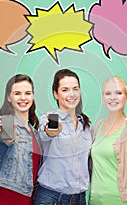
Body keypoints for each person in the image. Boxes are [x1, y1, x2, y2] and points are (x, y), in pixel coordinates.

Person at [33, 69, 93, 205]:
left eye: (75, 89)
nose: (71, 94)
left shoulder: (86, 126)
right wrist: (51, 131)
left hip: (79, 198)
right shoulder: (48, 119)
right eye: (65, 90)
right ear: (56, 93)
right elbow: (44, 133)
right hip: (51, 198)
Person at [89, 76, 127, 205]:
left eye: (118, 93)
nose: (113, 97)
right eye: (108, 93)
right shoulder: (98, 126)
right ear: (103, 98)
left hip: (120, 199)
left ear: (126, 97)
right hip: (95, 199)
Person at [0, 74, 42, 205]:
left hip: (31, 199)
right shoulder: (7, 121)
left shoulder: (35, 132)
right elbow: (8, 139)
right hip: (8, 199)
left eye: (28, 93)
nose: (23, 98)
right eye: (17, 93)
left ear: (33, 96)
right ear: (9, 97)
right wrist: (9, 133)